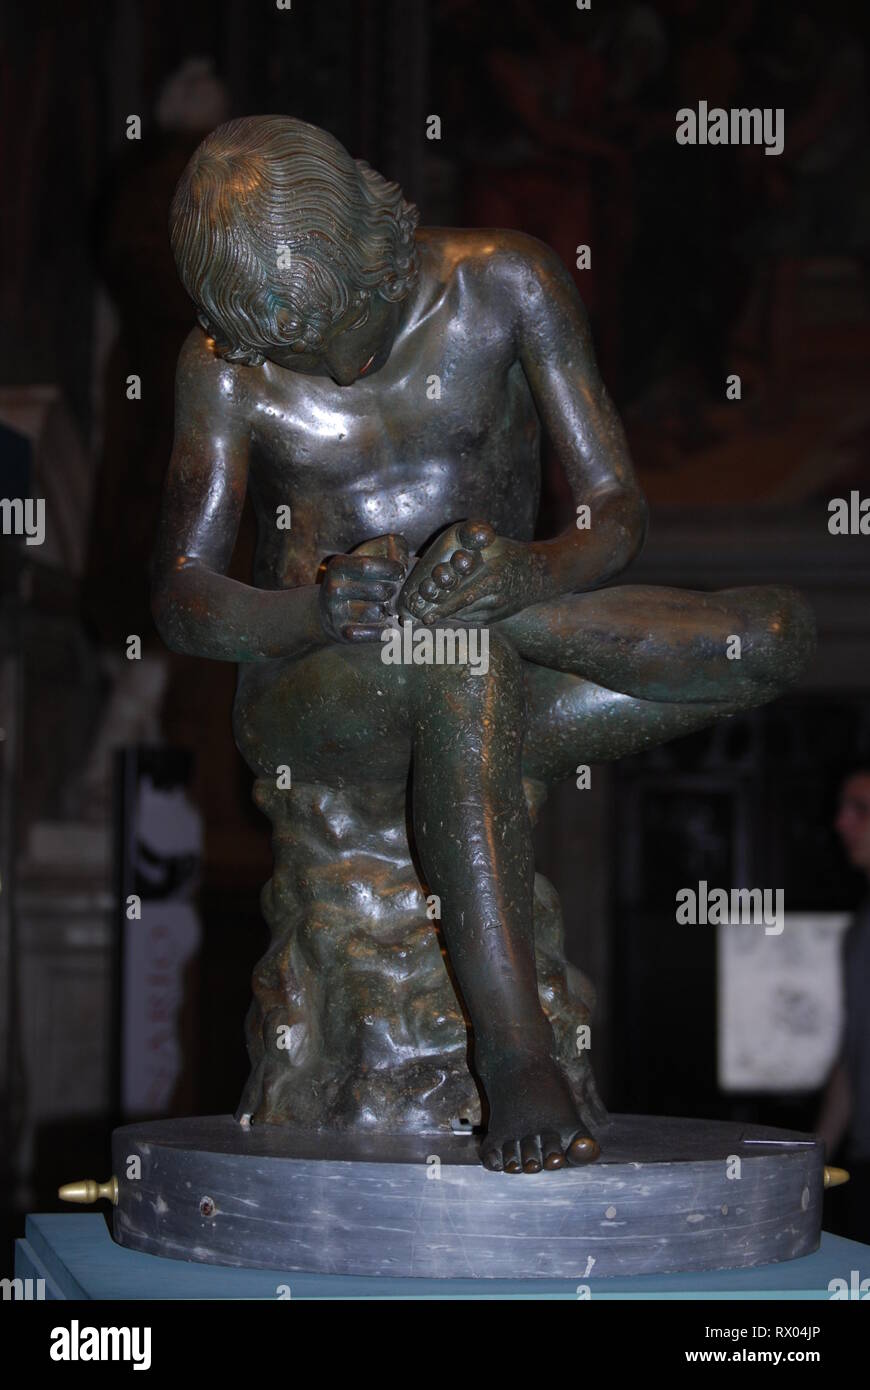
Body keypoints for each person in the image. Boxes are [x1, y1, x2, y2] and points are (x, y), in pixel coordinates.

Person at [152, 115, 814, 1173]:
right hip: (318, 696)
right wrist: (316, 610)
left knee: (772, 637)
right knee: (458, 663)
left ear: (378, 239)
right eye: (294, 352)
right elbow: (182, 600)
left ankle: (487, 620)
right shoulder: (225, 367)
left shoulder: (506, 284)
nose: (324, 366)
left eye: (341, 328)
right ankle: (517, 1058)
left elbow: (615, 512)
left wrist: (528, 574)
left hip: (497, 646)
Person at [818, 765, 870, 1241]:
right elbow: (854, 1051)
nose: (842, 823)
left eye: (862, 810)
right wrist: (819, 1157)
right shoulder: (861, 928)